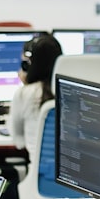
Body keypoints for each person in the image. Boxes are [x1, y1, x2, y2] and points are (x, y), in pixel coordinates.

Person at [8, 34, 63, 164]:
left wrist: (26, 83)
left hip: (39, 177)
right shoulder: (69, 92)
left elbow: (19, 141)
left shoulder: (24, 93)